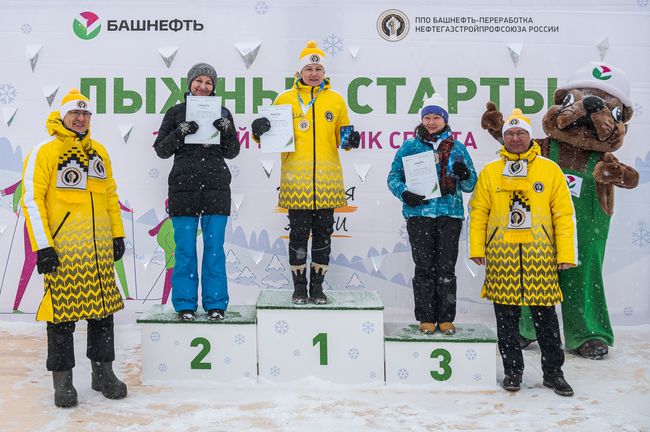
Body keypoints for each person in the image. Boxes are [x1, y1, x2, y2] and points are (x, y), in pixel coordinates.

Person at [21, 89, 128, 407]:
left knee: (103, 315)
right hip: (64, 251)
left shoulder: (99, 152)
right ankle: (63, 381)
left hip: (99, 252)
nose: (81, 118)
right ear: (63, 116)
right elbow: (32, 200)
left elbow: (110, 195)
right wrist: (43, 246)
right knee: (61, 318)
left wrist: (117, 235)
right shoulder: (45, 151)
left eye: (85, 114)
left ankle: (103, 373)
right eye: (75, 113)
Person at [468, 108, 577, 396]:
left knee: (546, 321)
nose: (515, 138)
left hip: (540, 256)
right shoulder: (491, 171)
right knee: (506, 321)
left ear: (530, 137)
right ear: (503, 138)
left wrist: (566, 253)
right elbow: (478, 212)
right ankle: (512, 372)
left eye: (520, 133)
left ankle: (553, 374)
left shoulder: (549, 170)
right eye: (510, 134)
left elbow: (563, 214)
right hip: (502, 256)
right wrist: (477, 247)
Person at [251, 41, 360, 305]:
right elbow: (269, 137)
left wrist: (351, 140)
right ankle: (299, 289)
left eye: (318, 69)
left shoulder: (336, 100)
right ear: (299, 72)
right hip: (295, 180)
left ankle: (318, 289)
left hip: (327, 181)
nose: (313, 73)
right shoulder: (284, 99)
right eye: (308, 69)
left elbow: (343, 138)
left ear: (324, 73)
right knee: (298, 237)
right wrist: (258, 131)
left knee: (323, 237)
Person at [154, 63, 239, 321]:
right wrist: (179, 132)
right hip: (183, 190)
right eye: (198, 81)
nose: (203, 86)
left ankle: (216, 304)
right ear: (189, 83)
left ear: (214, 87)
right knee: (185, 250)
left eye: (208, 82)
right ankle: (185, 305)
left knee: (214, 250)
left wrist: (227, 130)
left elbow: (232, 151)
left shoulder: (223, 112)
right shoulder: (175, 112)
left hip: (216, 190)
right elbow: (161, 150)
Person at [387, 94, 477, 335]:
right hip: (420, 214)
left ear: (445, 119)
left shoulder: (458, 148)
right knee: (424, 267)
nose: (431, 122)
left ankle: (446, 318)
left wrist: (465, 174)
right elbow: (393, 177)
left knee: (446, 268)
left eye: (437, 117)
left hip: (450, 214)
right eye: (427, 117)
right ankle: (426, 317)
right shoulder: (410, 147)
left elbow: (470, 185)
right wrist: (405, 193)